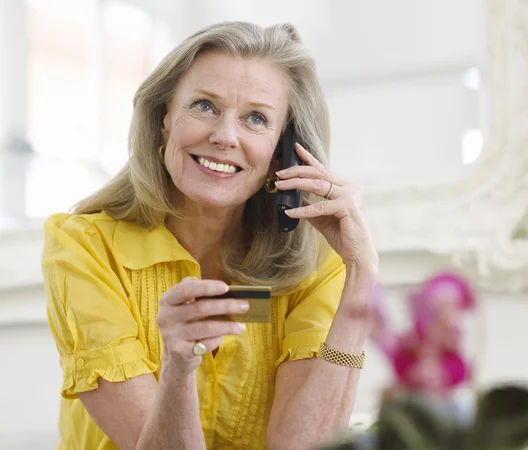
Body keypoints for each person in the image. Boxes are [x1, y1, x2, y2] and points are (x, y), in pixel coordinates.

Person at [41, 21, 379, 450]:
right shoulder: (84, 247)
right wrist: (179, 367)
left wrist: (362, 274)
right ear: (163, 118)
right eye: (204, 106)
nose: (224, 137)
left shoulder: (317, 264)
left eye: (256, 118)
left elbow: (301, 446)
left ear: (283, 148)